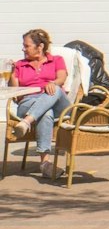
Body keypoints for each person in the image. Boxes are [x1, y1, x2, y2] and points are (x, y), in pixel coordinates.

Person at [6, 30, 70, 179]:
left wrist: (52, 84)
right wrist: (12, 73)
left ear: (39, 47)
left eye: (26, 46)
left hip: (57, 103)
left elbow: (61, 78)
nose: (23, 49)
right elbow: (16, 95)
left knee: (57, 90)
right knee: (46, 113)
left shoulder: (57, 60)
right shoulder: (20, 65)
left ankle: (27, 121)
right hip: (28, 103)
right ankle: (45, 164)